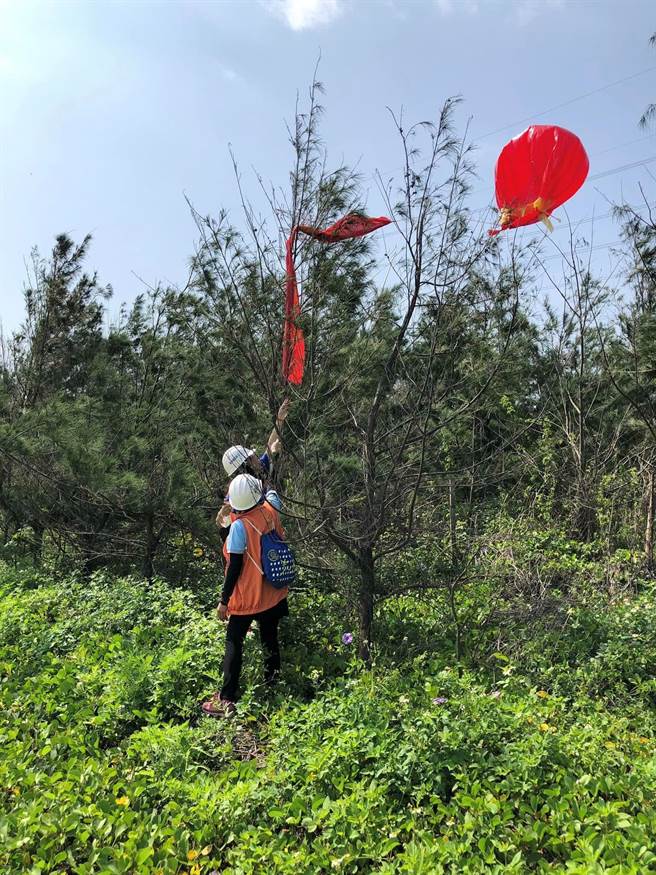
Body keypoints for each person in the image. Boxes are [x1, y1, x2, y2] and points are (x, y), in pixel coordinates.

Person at [202, 474, 289, 717]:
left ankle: (227, 698)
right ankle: (273, 684)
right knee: (270, 638)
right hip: (272, 590)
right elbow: (271, 492)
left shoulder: (239, 527)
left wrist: (224, 602)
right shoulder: (271, 509)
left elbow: (234, 568)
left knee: (234, 643)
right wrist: (261, 469)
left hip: (247, 597)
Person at [216, 398, 290, 530]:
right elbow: (223, 521)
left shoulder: (256, 472)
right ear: (247, 463)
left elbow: (270, 446)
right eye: (252, 456)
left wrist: (279, 420)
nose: (256, 457)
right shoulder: (235, 495)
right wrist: (222, 515)